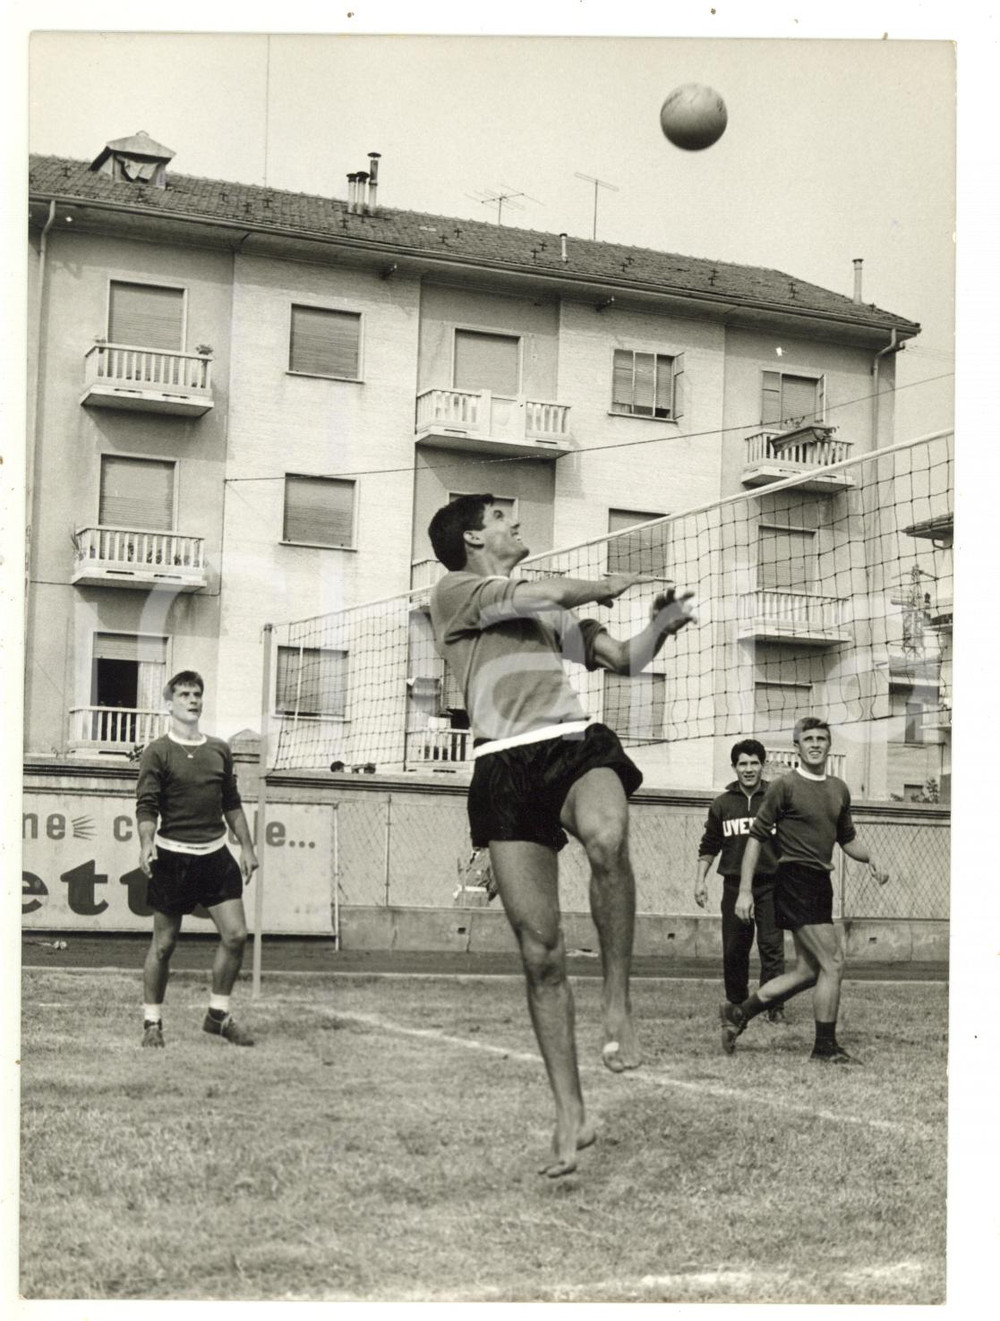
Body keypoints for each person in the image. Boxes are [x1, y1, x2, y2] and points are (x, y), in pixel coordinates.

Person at [427, 494, 697, 1176]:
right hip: (502, 765)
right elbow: (537, 588)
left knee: (607, 839)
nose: (515, 524)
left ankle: (617, 1006)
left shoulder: (549, 613)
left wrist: (660, 625)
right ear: (470, 536)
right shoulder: (459, 590)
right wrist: (605, 581)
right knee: (541, 952)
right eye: (501, 517)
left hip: (571, 743)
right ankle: (570, 1110)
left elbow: (622, 658)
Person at [720, 717, 889, 1064]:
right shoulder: (784, 786)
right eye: (807, 738)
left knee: (809, 972)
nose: (814, 744)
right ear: (797, 747)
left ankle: (740, 1013)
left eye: (821, 738)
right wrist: (745, 891)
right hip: (794, 878)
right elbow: (755, 838)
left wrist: (871, 858)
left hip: (819, 882)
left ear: (829, 745)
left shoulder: (839, 788)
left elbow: (847, 838)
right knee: (834, 962)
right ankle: (824, 1048)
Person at [135, 670, 258, 1047]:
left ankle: (217, 1015)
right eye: (184, 694)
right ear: (169, 703)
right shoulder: (158, 750)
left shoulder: (219, 749)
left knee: (236, 935)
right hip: (173, 859)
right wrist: (146, 841)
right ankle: (152, 1023)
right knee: (164, 945)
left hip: (214, 856)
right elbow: (147, 805)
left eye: (197, 694)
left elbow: (231, 804)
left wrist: (247, 847)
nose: (192, 700)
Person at [694, 738, 786, 1023]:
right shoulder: (722, 804)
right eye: (742, 764)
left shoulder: (776, 798)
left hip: (771, 884)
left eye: (754, 763)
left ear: (762, 765)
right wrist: (700, 881)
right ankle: (736, 1003)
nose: (749, 769)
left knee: (771, 946)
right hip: (734, 885)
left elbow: (793, 840)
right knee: (735, 948)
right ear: (734, 767)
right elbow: (709, 844)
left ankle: (773, 1006)